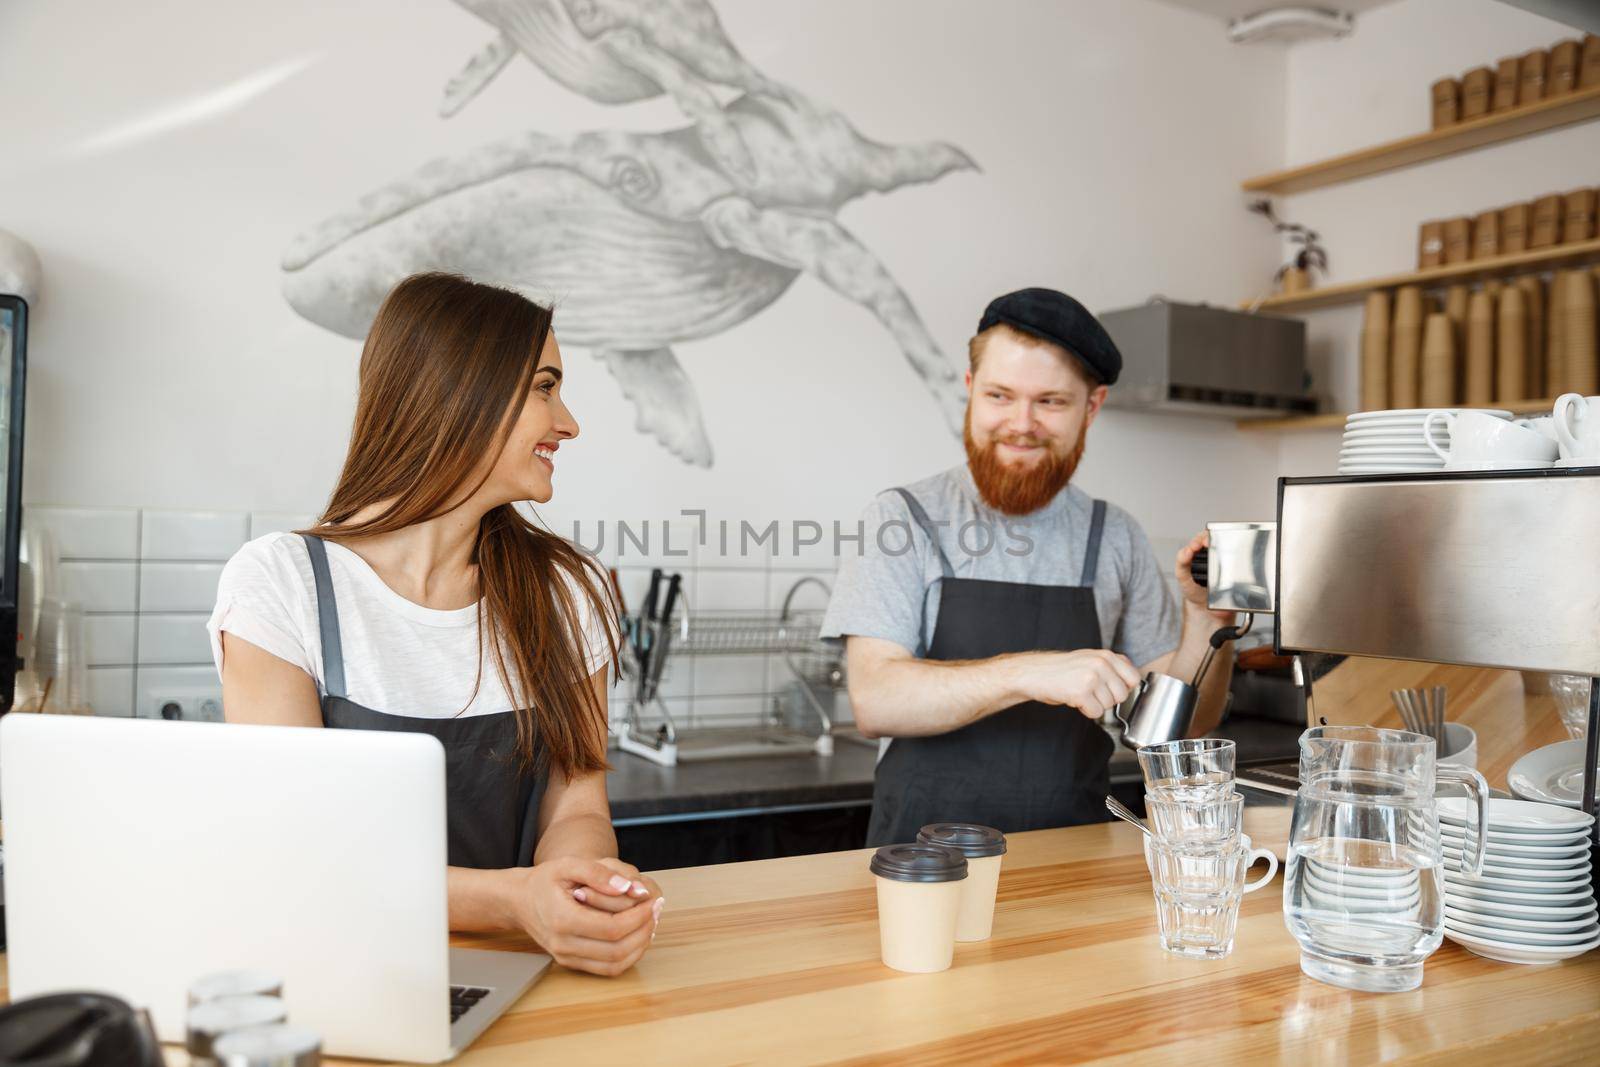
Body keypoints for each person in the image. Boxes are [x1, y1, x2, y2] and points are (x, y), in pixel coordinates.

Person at [209, 272, 661, 976]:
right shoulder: (281, 585)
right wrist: (518, 900)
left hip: (522, 971)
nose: (569, 422)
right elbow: (301, 849)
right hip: (341, 975)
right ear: (462, 392)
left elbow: (576, 802)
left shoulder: (565, 592)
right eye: (545, 387)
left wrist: (581, 886)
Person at [821, 287, 1236, 846]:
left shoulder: (1113, 536)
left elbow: (1185, 726)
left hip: (1075, 862)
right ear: (970, 391)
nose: (1021, 423)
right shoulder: (903, 519)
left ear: (1092, 406)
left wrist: (1208, 619)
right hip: (922, 867)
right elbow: (876, 699)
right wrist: (1031, 673)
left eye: (1050, 401)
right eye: (999, 395)